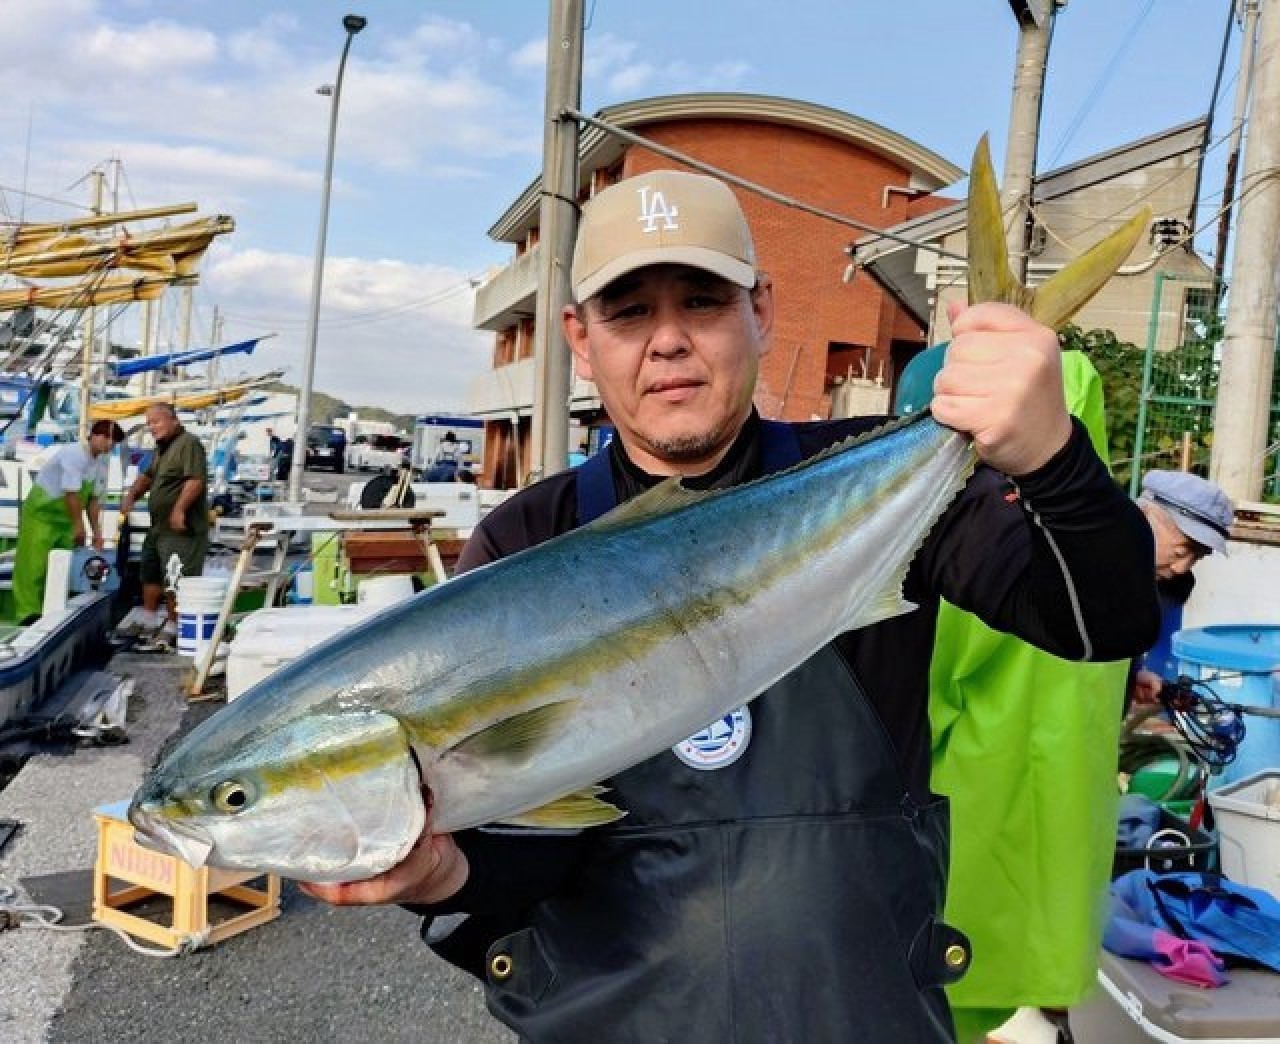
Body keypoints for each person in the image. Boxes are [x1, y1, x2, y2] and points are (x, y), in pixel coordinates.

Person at [302, 169, 1159, 1042]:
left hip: (864, 1016)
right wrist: (443, 873)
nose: (668, 341)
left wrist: (1055, 456)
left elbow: (1101, 624)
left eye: (703, 303)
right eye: (629, 312)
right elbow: (532, 852)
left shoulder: (874, 480)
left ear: (763, 312)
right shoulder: (528, 542)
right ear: (580, 338)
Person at [900, 347, 1133, 1043]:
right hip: (1058, 860)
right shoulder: (1100, 546)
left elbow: (928, 687)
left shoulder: (976, 542)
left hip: (970, 856)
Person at [1129, 469, 1234, 707]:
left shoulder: (1146, 590)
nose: (1181, 568)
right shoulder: (1085, 574)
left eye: (1196, 558)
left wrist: (1130, 678)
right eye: (1180, 552)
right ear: (1142, 516)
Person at [12, 420, 126, 623]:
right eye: (106, 437)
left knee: (62, 566)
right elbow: (71, 493)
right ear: (94, 435)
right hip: (42, 515)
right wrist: (79, 526)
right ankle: (26, 614)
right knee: (33, 566)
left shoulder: (102, 462)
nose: (109, 444)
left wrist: (97, 534)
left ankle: (55, 611)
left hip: (65, 520)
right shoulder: (74, 454)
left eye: (113, 441)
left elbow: (93, 501)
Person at [117, 403, 209, 641]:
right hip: (158, 528)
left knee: (175, 576)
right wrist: (131, 496)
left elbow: (195, 481)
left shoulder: (188, 444)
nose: (151, 427)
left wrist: (179, 509)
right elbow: (147, 477)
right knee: (150, 571)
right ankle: (148, 618)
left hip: (180, 530)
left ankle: (174, 625)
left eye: (156, 421)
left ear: (173, 420)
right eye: (148, 423)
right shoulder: (162, 448)